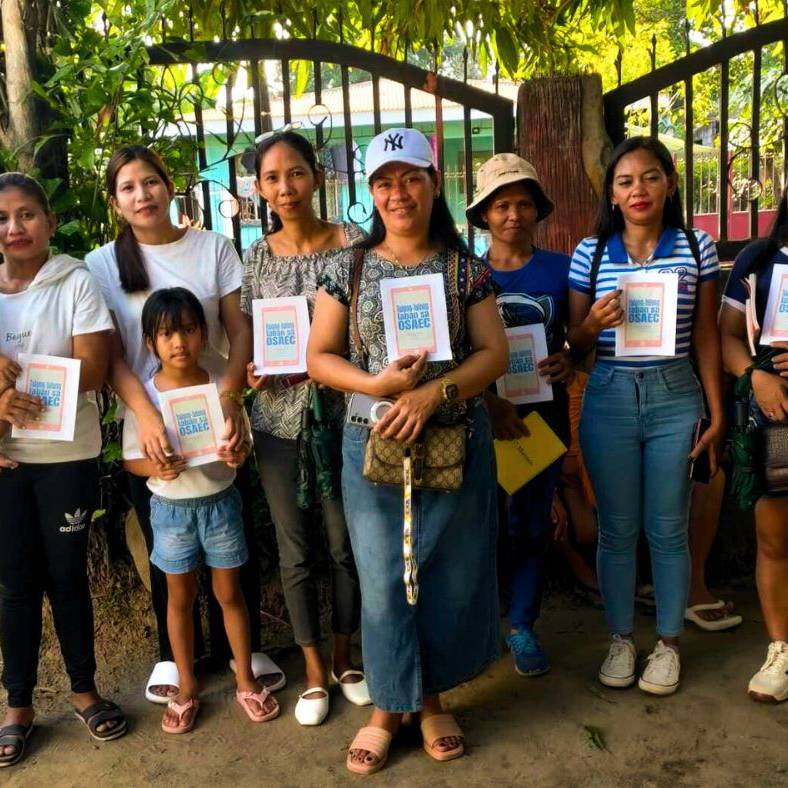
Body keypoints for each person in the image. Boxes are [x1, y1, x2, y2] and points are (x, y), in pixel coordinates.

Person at [307, 127, 508, 775]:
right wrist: (379, 387)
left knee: (444, 576)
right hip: (371, 442)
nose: (399, 192)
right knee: (385, 582)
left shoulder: (465, 268)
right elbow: (319, 358)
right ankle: (385, 709)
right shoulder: (348, 267)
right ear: (370, 191)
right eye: (384, 181)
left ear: (433, 181)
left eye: (411, 177)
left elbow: (494, 355)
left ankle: (430, 700)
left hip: (453, 439)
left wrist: (431, 395)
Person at [86, 145, 284, 705]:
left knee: (230, 542)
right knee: (166, 553)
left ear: (169, 186)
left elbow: (237, 330)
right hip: (145, 416)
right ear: (116, 201)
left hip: (217, 408)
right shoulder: (102, 264)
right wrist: (145, 416)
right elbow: (112, 355)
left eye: (150, 181)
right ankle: (177, 664)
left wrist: (229, 398)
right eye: (128, 187)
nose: (142, 194)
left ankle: (243, 658)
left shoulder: (213, 248)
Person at [567, 136, 725, 696]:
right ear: (611, 193)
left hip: (675, 393)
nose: (638, 189)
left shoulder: (695, 247)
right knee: (616, 530)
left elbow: (705, 333)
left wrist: (715, 409)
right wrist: (592, 327)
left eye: (650, 177)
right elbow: (575, 344)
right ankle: (619, 638)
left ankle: (667, 644)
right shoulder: (590, 253)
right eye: (625, 181)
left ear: (671, 183)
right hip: (608, 394)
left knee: (667, 528)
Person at [241, 130, 368, 726]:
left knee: (346, 547)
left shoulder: (355, 246)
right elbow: (250, 339)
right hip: (277, 422)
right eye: (272, 178)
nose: (285, 188)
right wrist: (253, 371)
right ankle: (313, 671)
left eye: (295, 173)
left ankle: (347, 660)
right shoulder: (257, 255)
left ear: (317, 177)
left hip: (345, 418)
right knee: (295, 553)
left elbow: (372, 332)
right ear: (260, 188)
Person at [0, 173, 126, 768]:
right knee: (14, 583)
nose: (14, 227)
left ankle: (83, 691)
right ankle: (17, 706)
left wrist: (12, 383)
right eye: (3, 218)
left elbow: (95, 370)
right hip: (4, 458)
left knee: (67, 576)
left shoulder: (76, 282)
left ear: (49, 222)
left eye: (27, 215)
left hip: (66, 456)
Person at [124, 288, 279, 732]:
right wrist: (153, 464)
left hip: (221, 506)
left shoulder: (220, 388)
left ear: (204, 332)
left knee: (230, 595)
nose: (180, 343)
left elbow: (242, 444)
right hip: (170, 510)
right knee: (180, 599)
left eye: (189, 330)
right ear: (150, 342)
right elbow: (131, 458)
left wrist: (238, 452)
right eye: (167, 334)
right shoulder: (145, 399)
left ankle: (245, 679)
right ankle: (187, 685)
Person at [465, 153, 572, 676]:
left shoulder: (560, 268)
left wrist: (570, 359)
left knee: (531, 523)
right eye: (502, 204)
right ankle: (483, 624)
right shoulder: (465, 272)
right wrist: (488, 402)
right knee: (481, 524)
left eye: (523, 203)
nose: (514, 215)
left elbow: (582, 342)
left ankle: (523, 623)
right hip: (482, 418)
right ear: (484, 213)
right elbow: (457, 354)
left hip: (541, 419)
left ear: (538, 210)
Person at [719, 187, 788, 701]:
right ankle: (781, 648)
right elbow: (724, 335)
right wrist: (755, 377)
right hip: (775, 418)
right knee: (774, 539)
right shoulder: (757, 260)